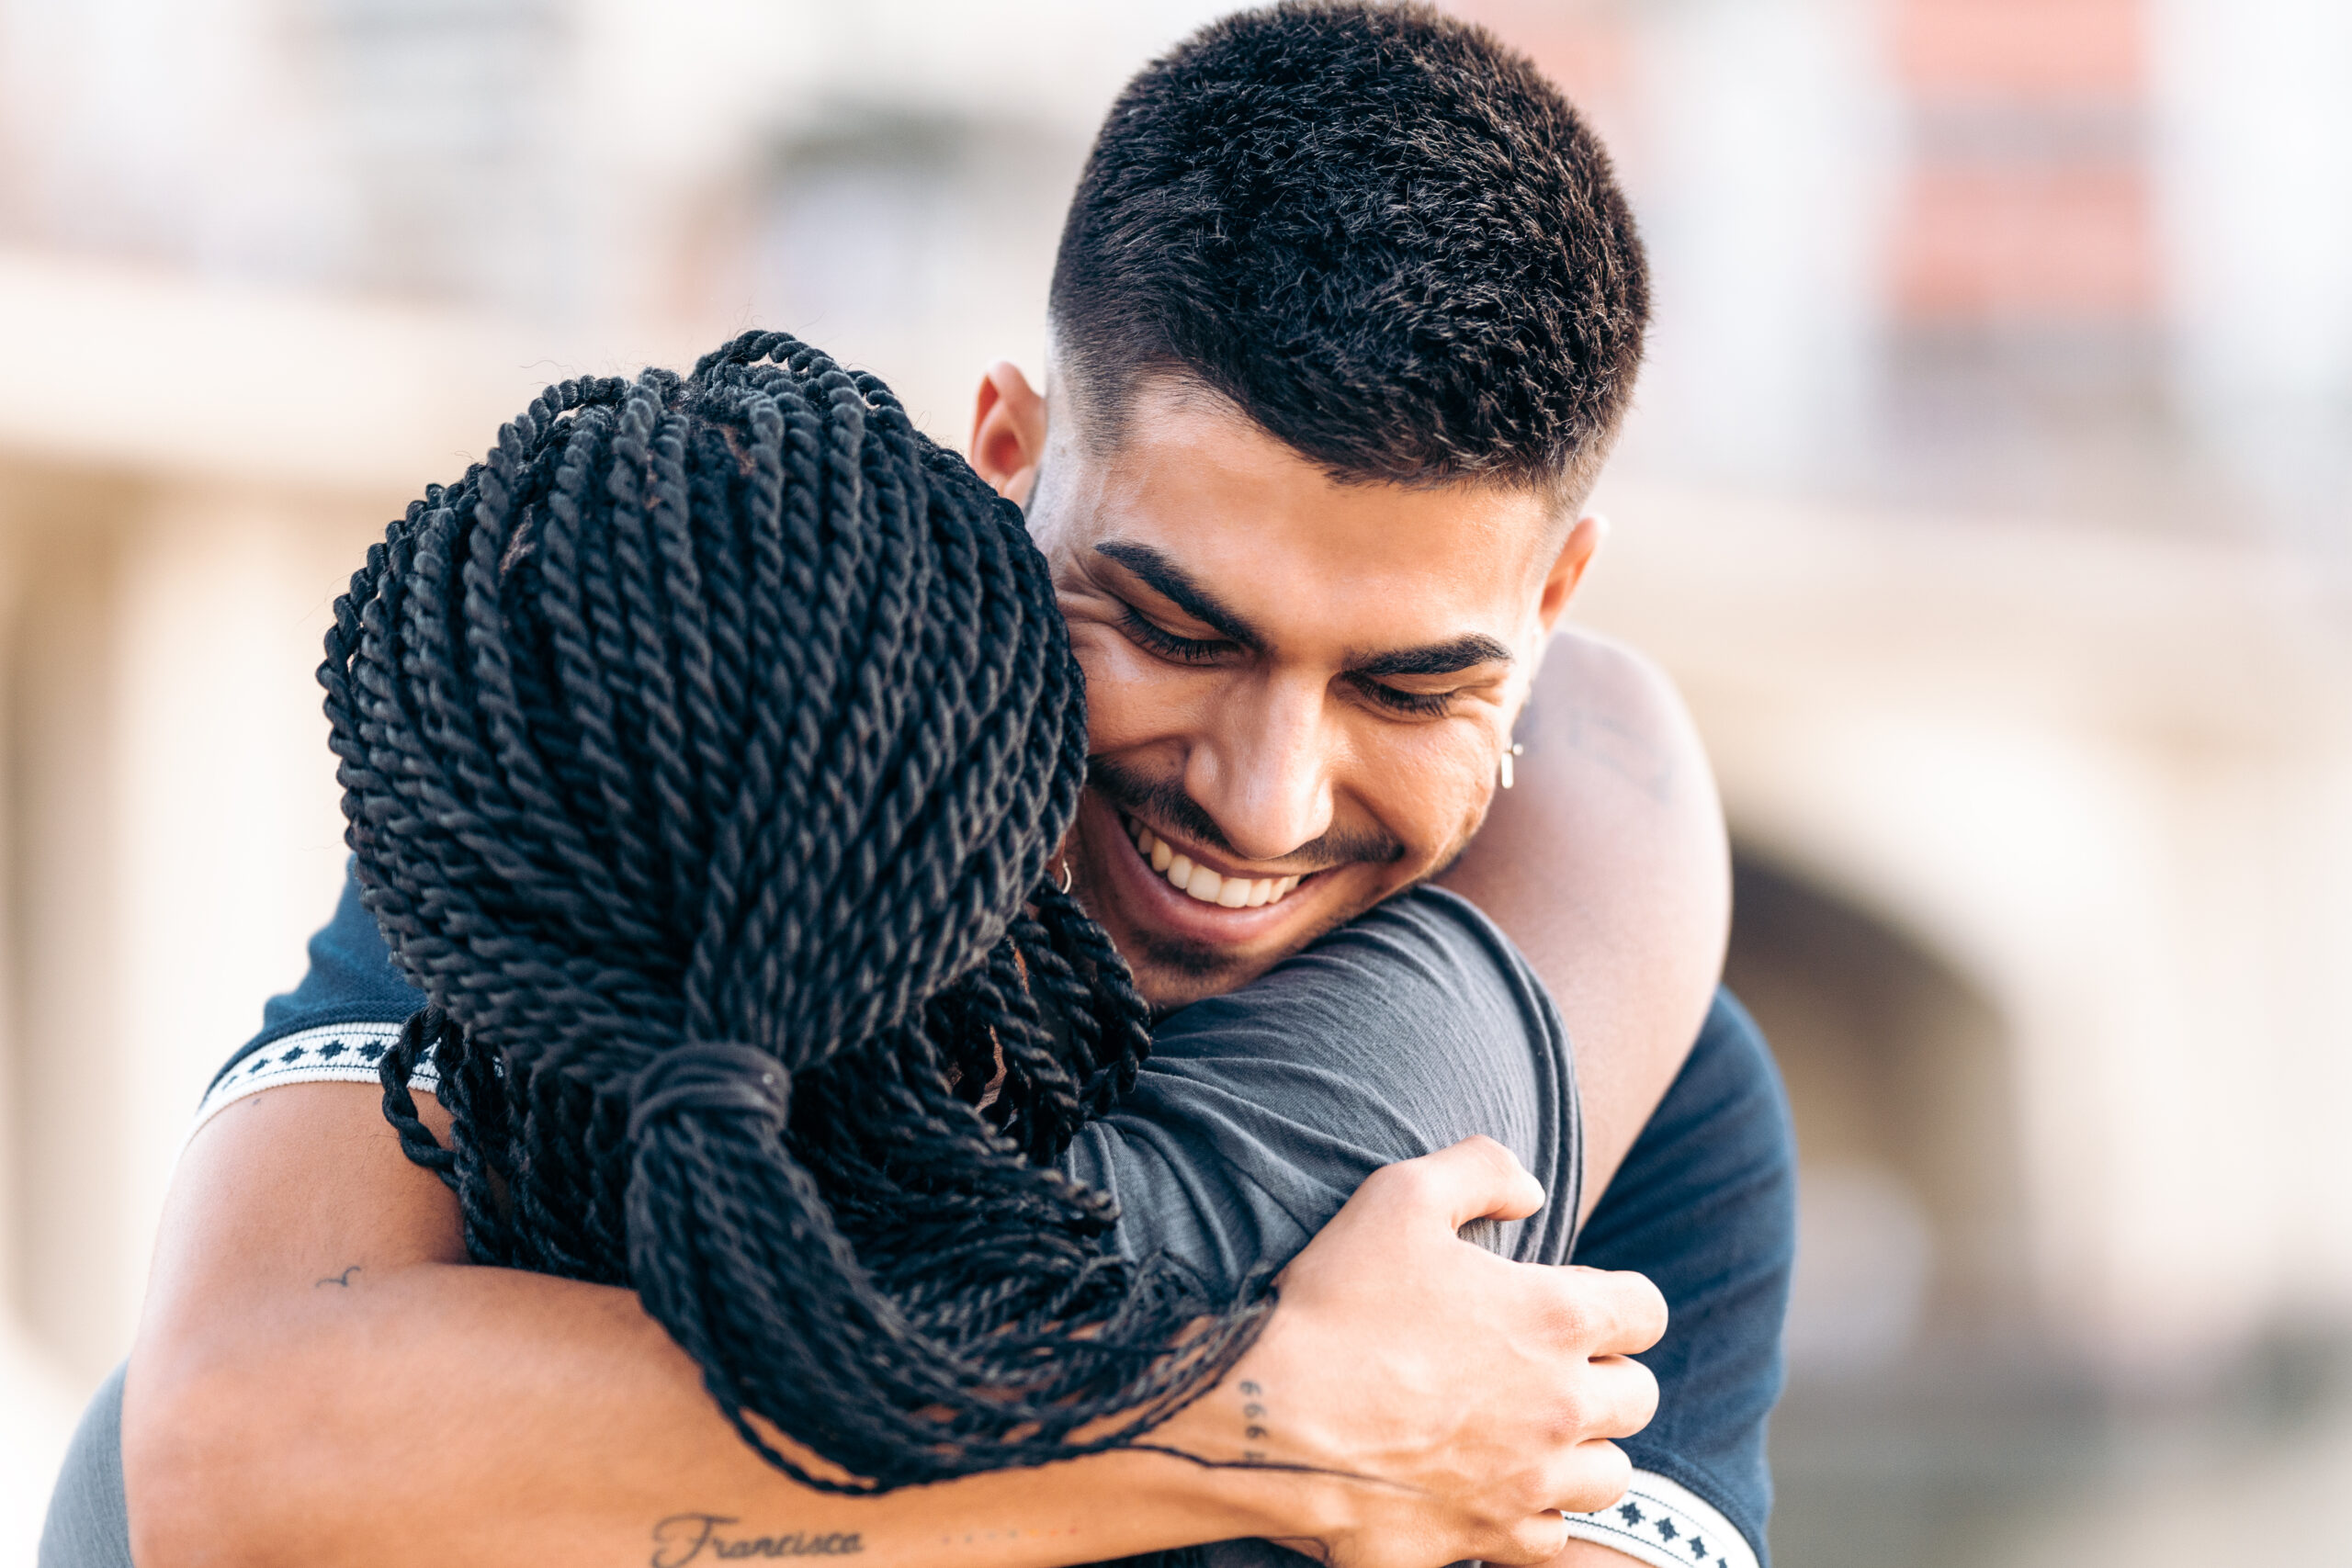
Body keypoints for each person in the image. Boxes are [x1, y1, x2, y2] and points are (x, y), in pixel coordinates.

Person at [56, 7, 1795, 1568]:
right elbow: (233, 1457)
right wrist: (1270, 1417)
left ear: (1554, 604)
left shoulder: (1662, 1109)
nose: (1266, 803)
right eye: (1175, 630)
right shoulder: (649, 793)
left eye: (1408, 688)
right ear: (1011, 458)